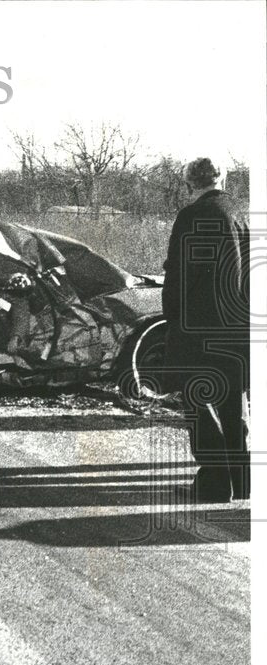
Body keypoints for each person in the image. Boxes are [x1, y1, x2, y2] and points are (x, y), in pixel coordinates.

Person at [162, 157, 250, 502]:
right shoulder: (241, 213)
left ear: (189, 184)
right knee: (232, 403)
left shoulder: (192, 216)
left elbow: (181, 275)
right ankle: (243, 482)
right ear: (222, 179)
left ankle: (214, 484)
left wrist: (173, 320)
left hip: (199, 327)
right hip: (238, 326)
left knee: (200, 401)